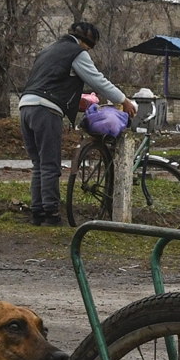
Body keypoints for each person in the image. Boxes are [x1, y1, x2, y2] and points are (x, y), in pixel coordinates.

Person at [18, 21, 135, 226]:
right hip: (46, 110)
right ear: (84, 42)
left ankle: (37, 214)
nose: (87, 52)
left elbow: (53, 81)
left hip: (25, 106)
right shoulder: (76, 52)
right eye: (88, 48)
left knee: (39, 164)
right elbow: (98, 80)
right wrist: (123, 100)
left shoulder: (48, 50)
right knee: (50, 165)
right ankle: (52, 216)